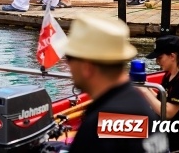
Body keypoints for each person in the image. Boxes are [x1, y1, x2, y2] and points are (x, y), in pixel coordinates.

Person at [64, 16, 166, 153]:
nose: (66, 65)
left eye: (69, 58)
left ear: (87, 67)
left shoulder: (100, 122)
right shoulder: (134, 105)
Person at [140, 35, 179, 152]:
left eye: (160, 58)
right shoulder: (169, 75)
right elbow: (160, 100)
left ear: (172, 56)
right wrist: (145, 87)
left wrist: (144, 91)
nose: (157, 62)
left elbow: (167, 112)